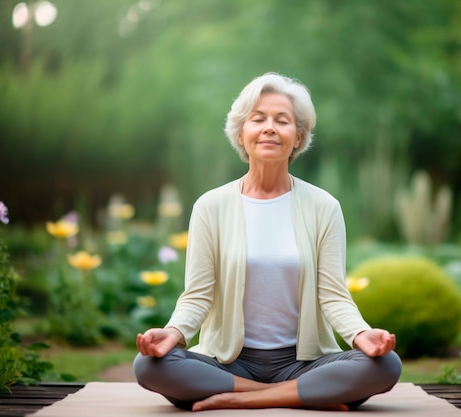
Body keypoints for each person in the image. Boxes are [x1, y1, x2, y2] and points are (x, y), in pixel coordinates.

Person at [133, 72, 402, 411]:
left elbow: (333, 295)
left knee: (387, 365)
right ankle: (304, 394)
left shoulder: (324, 207)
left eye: (282, 120)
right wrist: (173, 333)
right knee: (148, 366)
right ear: (242, 135)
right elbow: (198, 295)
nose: (270, 127)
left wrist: (362, 335)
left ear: (297, 137)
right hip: (230, 362)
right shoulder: (210, 206)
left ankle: (237, 398)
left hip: (302, 362)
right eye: (258, 119)